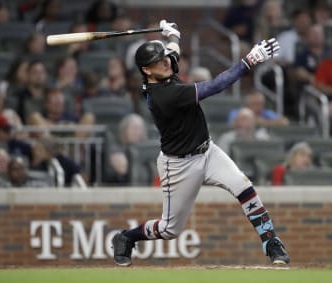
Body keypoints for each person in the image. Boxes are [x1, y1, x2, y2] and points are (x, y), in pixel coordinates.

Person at [111, 19, 290, 266]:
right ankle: (126, 238)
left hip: (207, 151)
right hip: (179, 165)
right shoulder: (165, 95)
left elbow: (172, 53)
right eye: (157, 61)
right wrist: (249, 61)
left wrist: (172, 36)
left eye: (163, 58)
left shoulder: (162, 70)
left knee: (244, 188)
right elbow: (215, 85)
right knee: (169, 229)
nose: (165, 62)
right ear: (146, 71)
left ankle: (271, 242)